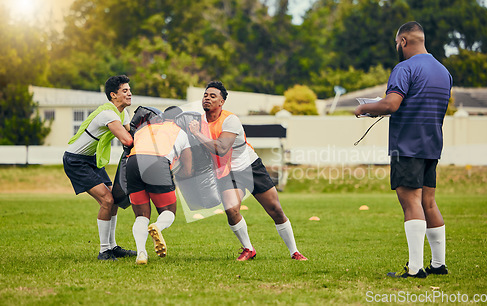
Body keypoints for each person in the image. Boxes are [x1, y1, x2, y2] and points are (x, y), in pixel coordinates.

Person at [354, 21, 452, 278]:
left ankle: (416, 268)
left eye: (397, 43)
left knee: (411, 203)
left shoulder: (404, 68)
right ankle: (439, 265)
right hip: (432, 145)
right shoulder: (444, 71)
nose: (397, 47)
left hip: (407, 146)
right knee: (429, 202)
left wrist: (364, 108)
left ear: (404, 42)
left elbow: (392, 104)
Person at [188, 81, 307, 261]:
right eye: (205, 95)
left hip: (250, 167)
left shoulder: (230, 120)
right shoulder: (198, 122)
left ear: (221, 102)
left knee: (275, 209)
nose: (207, 98)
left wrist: (197, 134)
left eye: (213, 96)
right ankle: (248, 249)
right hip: (227, 172)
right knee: (231, 210)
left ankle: (294, 252)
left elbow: (221, 148)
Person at [63, 75, 137, 261]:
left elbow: (133, 133)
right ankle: (104, 251)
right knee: (107, 200)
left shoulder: (123, 113)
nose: (129, 93)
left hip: (91, 160)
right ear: (113, 95)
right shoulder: (108, 114)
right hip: (76, 161)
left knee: (115, 199)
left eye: (129, 90)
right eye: (125, 91)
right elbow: (128, 140)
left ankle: (113, 247)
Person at [126, 106, 192, 265]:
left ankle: (141, 253)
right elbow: (188, 170)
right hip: (157, 162)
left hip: (133, 163)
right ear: (179, 120)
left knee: (141, 215)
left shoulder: (144, 128)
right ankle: (157, 226)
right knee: (168, 211)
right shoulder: (180, 132)